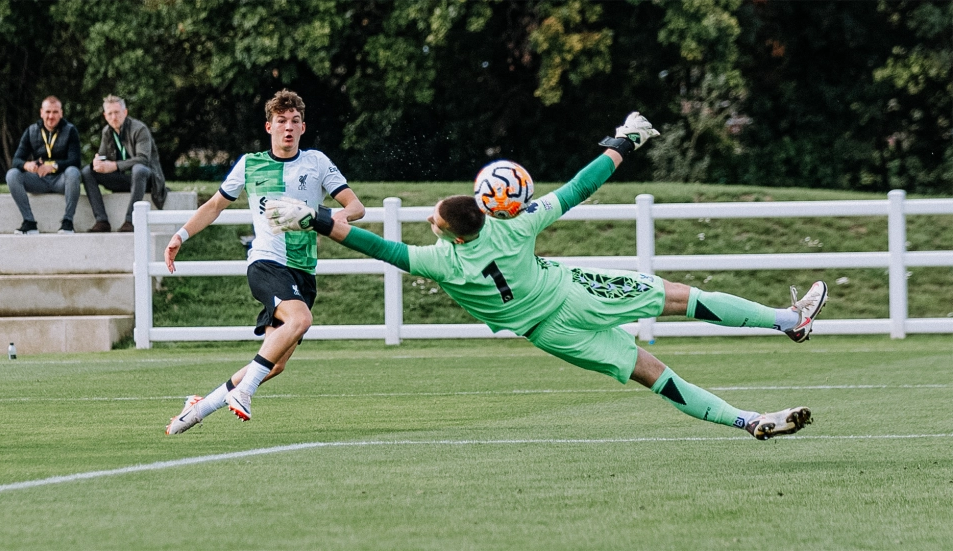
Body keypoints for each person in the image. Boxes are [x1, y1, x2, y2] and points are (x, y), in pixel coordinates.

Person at [266, 112, 827, 440]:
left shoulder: (438, 261)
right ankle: (789, 320)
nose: (429, 220)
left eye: (433, 217)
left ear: (449, 230)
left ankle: (748, 419)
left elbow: (375, 245)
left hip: (549, 335)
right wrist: (624, 139)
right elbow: (581, 186)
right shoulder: (515, 227)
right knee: (686, 299)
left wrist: (312, 219)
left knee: (654, 375)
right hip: (573, 292)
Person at [163, 89, 365, 435]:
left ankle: (197, 408)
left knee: (275, 363)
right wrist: (180, 235)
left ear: (303, 127)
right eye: (282, 121)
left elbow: (357, 208)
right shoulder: (250, 163)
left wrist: (315, 214)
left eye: (295, 121)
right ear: (269, 126)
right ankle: (244, 391)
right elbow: (214, 206)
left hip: (304, 269)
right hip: (266, 263)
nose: (288, 127)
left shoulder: (316, 162)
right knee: (300, 319)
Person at [82, 95, 169, 233]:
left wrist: (115, 165)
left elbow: (143, 159)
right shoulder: (107, 132)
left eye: (117, 112)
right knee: (88, 171)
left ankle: (130, 221)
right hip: (123, 179)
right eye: (110, 114)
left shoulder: (140, 129)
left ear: (125, 112)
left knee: (139, 169)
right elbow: (103, 158)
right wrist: (97, 163)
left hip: (145, 179)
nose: (114, 117)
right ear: (105, 116)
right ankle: (101, 221)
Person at [6, 96, 82, 234]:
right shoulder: (31, 131)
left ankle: (68, 222)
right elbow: (16, 160)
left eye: (55, 112)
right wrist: (27, 165)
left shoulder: (70, 130)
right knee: (12, 175)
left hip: (61, 180)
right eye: (47, 112)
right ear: (41, 112)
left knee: (73, 172)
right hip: (38, 180)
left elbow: (75, 161)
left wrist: (53, 166)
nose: (51, 116)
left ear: (61, 113)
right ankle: (29, 222)